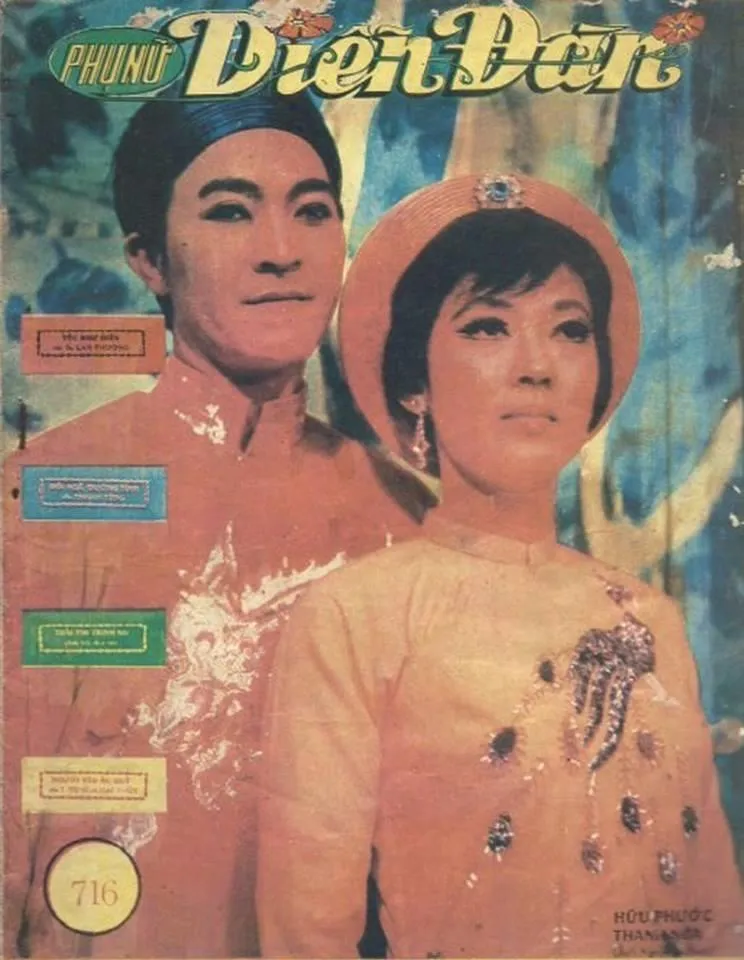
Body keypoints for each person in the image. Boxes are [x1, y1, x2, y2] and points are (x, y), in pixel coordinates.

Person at [257, 174, 744, 958]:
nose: (537, 366)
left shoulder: (648, 617)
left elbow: (717, 917)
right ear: (415, 386)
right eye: (488, 328)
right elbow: (306, 933)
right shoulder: (355, 616)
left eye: (570, 331)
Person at [4, 91, 430, 958]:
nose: (281, 250)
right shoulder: (51, 490)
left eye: (312, 211)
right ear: (150, 259)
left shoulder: (408, 517)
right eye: (230, 212)